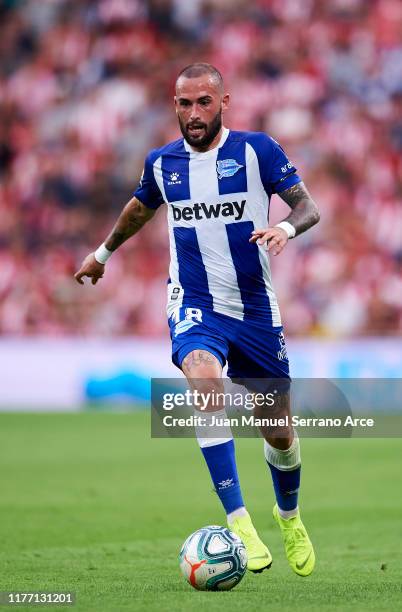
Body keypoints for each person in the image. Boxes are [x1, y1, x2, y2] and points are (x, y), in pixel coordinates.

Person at [75, 63, 320, 577]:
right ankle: (239, 522)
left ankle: (289, 515)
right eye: (183, 104)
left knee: (278, 430)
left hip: (254, 309)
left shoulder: (257, 151)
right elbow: (140, 208)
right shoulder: (163, 163)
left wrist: (285, 230)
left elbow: (307, 208)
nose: (192, 113)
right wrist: (102, 253)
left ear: (223, 102)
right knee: (204, 380)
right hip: (195, 304)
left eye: (203, 102)